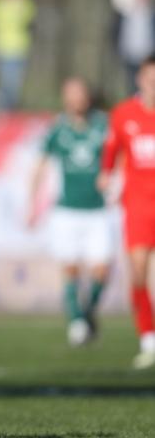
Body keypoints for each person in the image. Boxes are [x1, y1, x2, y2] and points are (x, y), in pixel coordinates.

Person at [28, 78, 112, 346]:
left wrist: (113, 176)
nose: (76, 100)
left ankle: (88, 311)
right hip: (67, 211)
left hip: (98, 210)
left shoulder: (104, 124)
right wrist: (32, 204)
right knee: (71, 268)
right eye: (71, 95)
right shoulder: (57, 129)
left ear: (88, 97)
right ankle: (77, 321)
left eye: (80, 94)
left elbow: (120, 154)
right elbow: (40, 165)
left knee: (101, 270)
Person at [98, 54, 155, 370]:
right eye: (150, 77)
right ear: (140, 79)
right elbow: (111, 149)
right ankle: (148, 340)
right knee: (137, 272)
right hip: (138, 206)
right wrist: (105, 173)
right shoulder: (123, 114)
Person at [0, 0, 36, 110]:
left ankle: (8, 109)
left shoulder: (23, 3)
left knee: (11, 83)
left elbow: (28, 16)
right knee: (4, 83)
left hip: (17, 49)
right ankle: (7, 109)